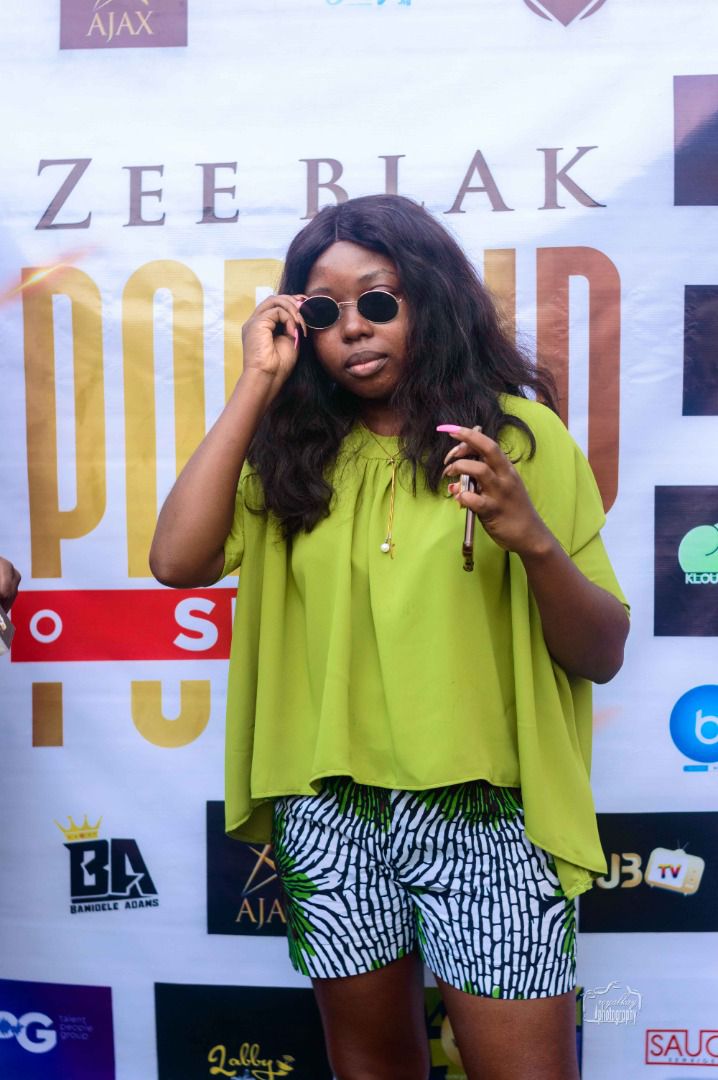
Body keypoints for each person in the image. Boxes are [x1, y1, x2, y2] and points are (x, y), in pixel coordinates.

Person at [150, 194, 629, 1080]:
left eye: (379, 300)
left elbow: (601, 652)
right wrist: (257, 383)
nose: (353, 328)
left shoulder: (519, 441)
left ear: (431, 301)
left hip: (485, 816)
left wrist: (530, 538)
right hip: (330, 812)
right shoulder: (290, 453)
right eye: (322, 311)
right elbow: (177, 562)